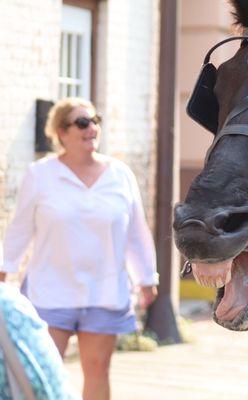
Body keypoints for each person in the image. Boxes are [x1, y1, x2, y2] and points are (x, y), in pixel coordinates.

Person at [0, 97, 159, 400]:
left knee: (98, 371)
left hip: (104, 291)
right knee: (43, 370)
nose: (92, 129)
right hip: (50, 289)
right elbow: (20, 227)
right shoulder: (40, 174)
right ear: (61, 132)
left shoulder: (120, 174)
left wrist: (146, 277)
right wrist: (4, 269)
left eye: (95, 121)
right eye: (82, 123)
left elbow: (136, 231)